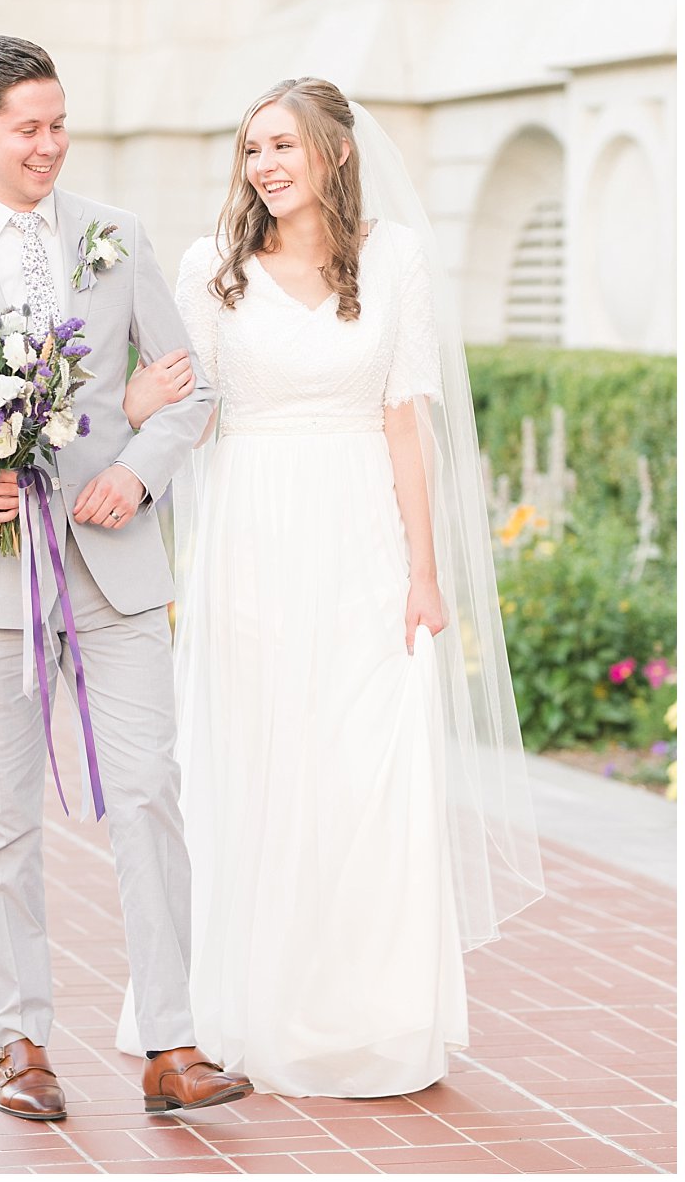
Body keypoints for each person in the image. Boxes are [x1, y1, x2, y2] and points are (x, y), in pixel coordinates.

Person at [0, 35, 252, 1120]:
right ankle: (17, 1039)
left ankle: (170, 1041)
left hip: (114, 571)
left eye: (58, 123)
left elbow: (191, 390)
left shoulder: (117, 239)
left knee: (151, 794)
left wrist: (134, 469)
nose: (48, 144)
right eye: (27, 126)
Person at [116, 77, 545, 1096]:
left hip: (361, 539)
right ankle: (230, 1007)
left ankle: (367, 1010)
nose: (261, 164)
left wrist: (424, 573)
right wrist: (128, 400)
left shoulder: (393, 257)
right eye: (250, 148)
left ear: (334, 153)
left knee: (364, 763)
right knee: (254, 758)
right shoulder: (208, 268)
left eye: (281, 145)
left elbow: (407, 421)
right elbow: (189, 416)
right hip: (248, 542)